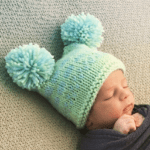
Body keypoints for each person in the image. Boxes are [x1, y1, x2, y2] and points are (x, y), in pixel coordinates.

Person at [4, 12, 150, 150]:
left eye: (125, 85)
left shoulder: (142, 111)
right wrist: (118, 135)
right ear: (89, 121)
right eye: (110, 96)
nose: (125, 95)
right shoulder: (94, 142)